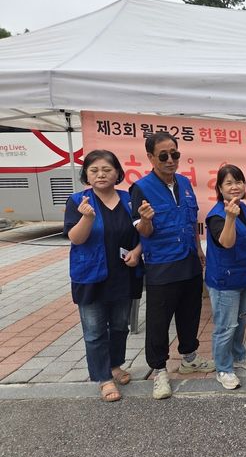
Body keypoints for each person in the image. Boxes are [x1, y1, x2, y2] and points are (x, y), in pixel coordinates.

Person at [130, 131, 214, 400]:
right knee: (159, 320)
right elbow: (143, 231)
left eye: (174, 154)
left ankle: (189, 357)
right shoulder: (141, 188)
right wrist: (146, 220)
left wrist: (199, 249)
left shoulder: (185, 183)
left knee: (190, 312)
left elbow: (191, 220)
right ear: (150, 157)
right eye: (163, 155)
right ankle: (159, 370)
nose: (170, 160)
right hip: (162, 264)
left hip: (189, 260)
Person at [64, 150, 142, 402]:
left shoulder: (128, 199)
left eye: (107, 170)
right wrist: (87, 217)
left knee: (119, 326)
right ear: (86, 174)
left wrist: (137, 252)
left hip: (123, 275)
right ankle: (103, 378)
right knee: (95, 331)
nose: (101, 175)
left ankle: (115, 365)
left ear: (117, 173)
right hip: (90, 276)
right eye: (94, 170)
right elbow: (76, 239)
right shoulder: (78, 200)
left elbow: (142, 233)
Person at [205, 165, 246, 390]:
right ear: (220, 188)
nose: (235, 187)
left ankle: (238, 355)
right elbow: (227, 242)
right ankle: (223, 369)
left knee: (241, 320)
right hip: (224, 280)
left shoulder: (243, 208)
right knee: (226, 326)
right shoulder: (217, 215)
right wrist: (229, 217)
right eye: (228, 183)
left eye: (238, 182)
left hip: (244, 275)